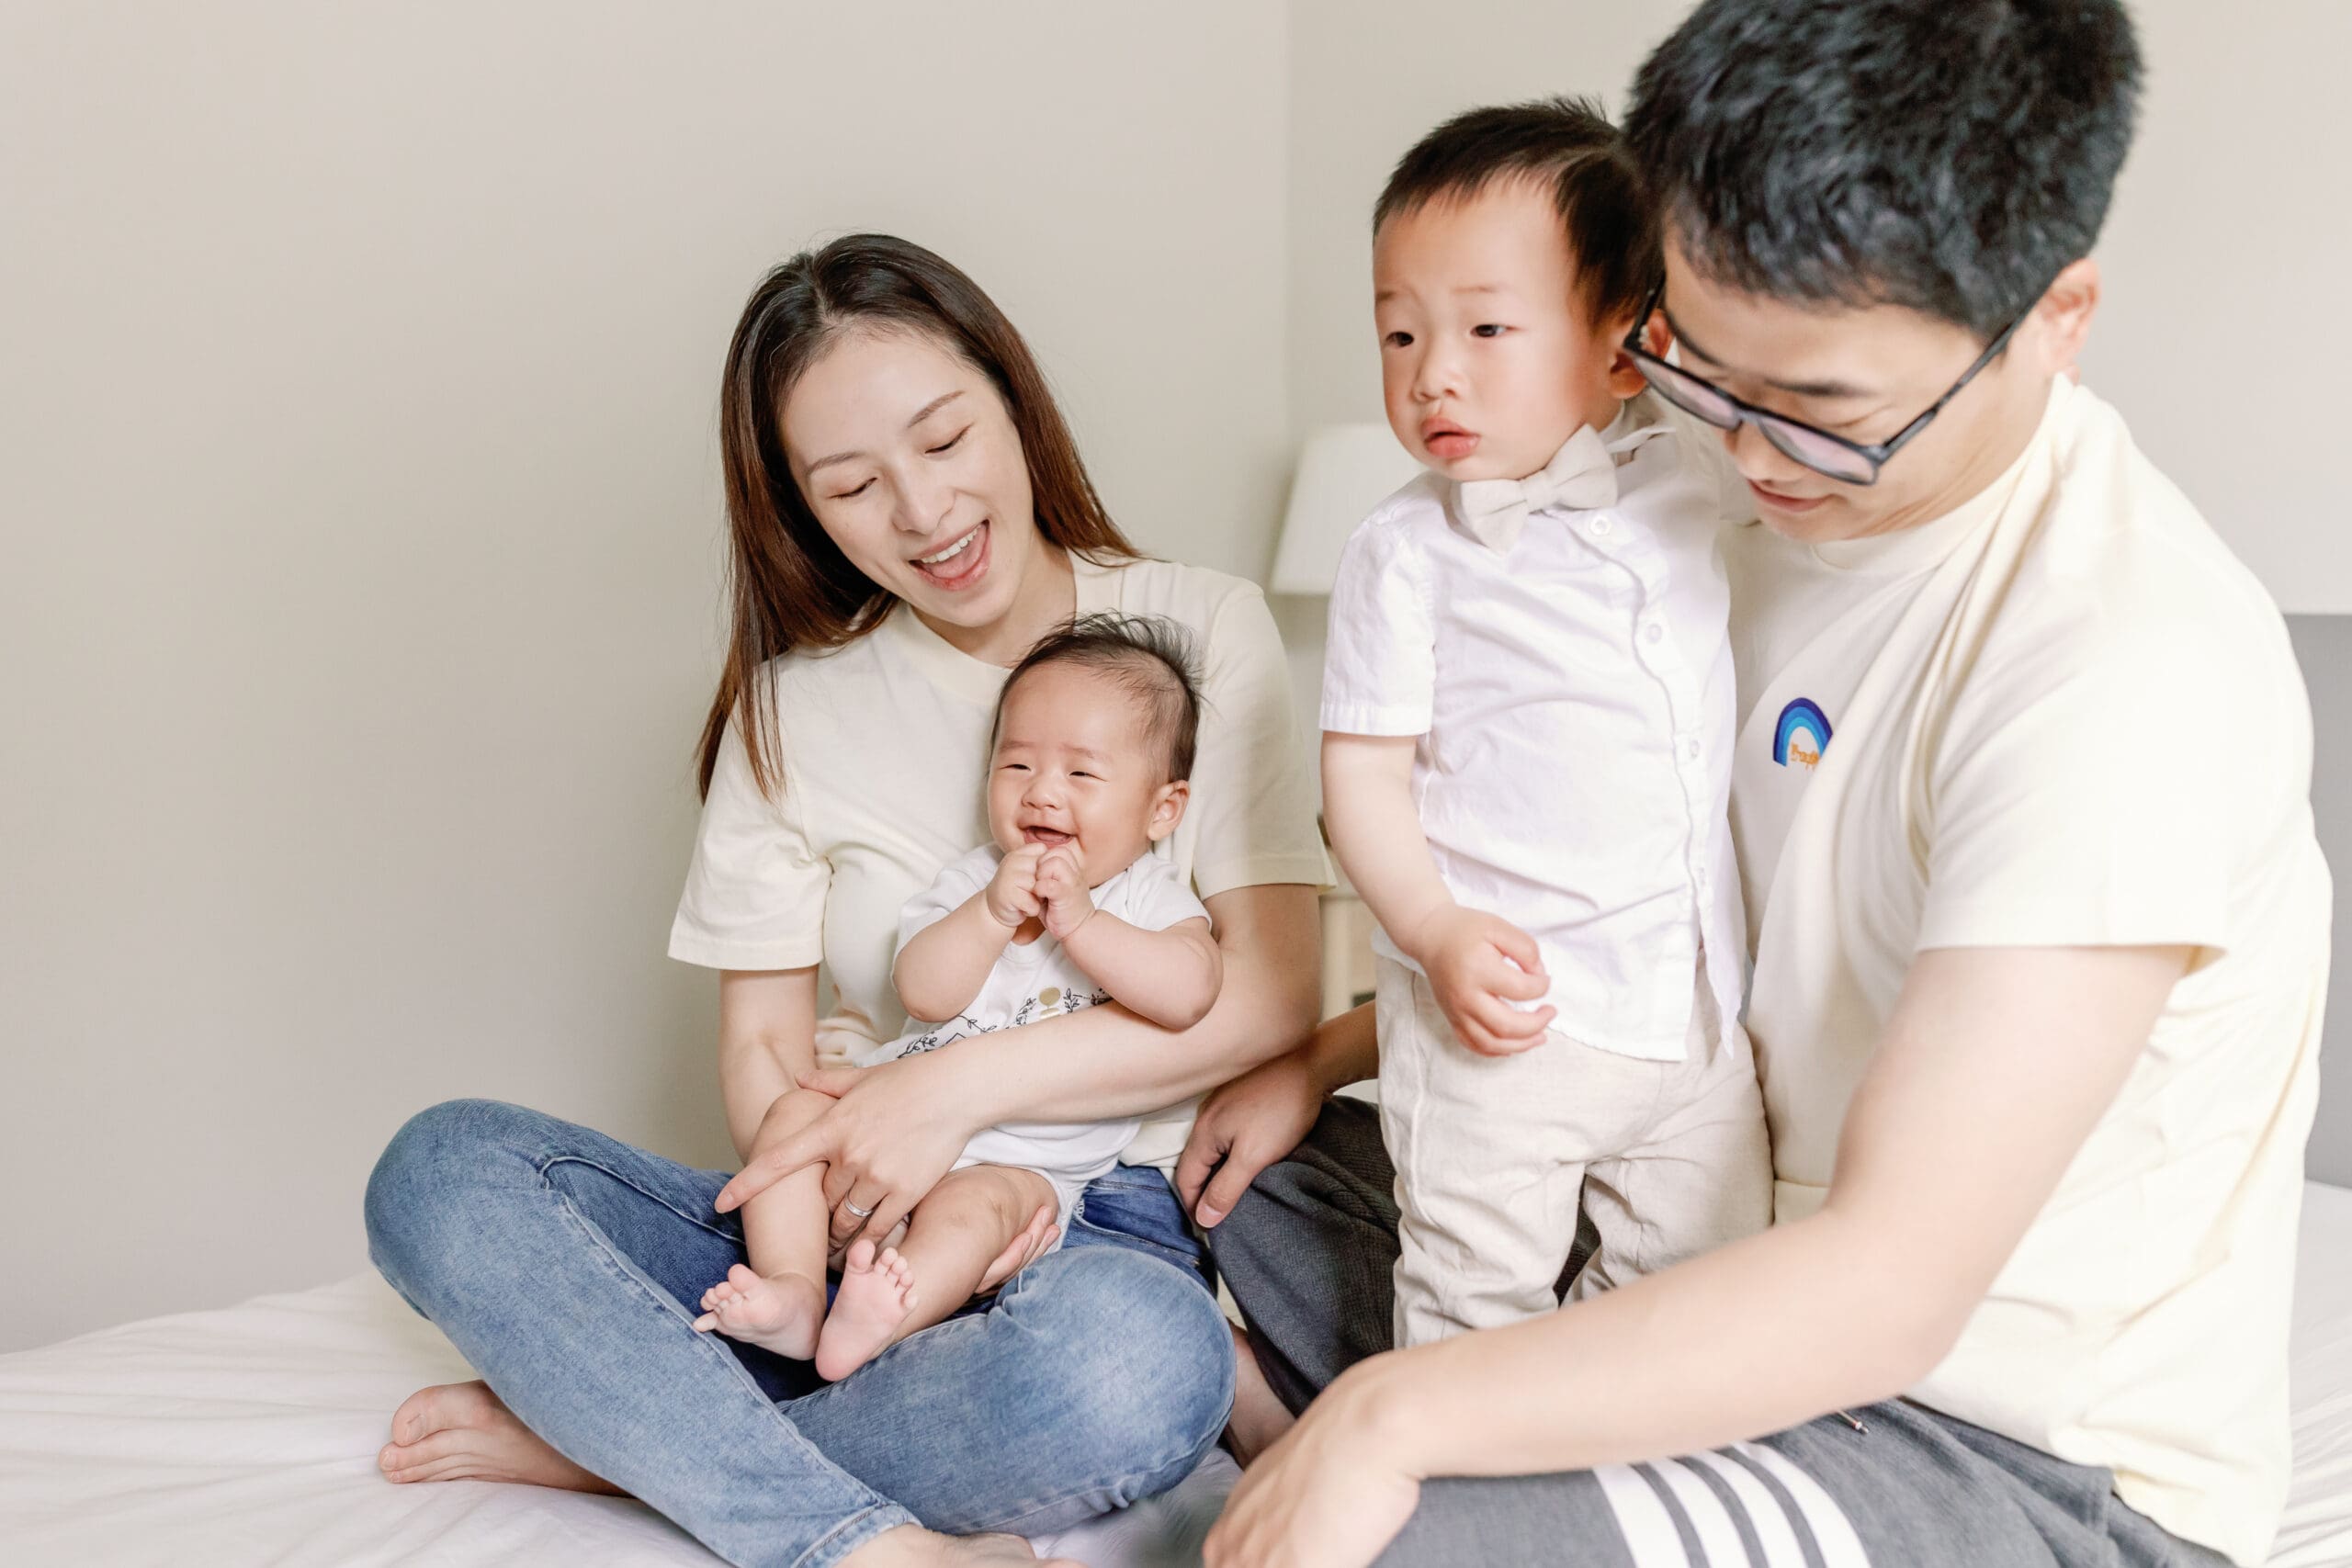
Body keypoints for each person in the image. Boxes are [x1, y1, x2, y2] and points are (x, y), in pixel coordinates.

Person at [1185, 4, 2329, 1566]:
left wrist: (1399, 1416)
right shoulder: (1686, 497)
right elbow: (1609, 883)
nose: (1752, 449)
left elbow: (1885, 1284)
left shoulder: (2125, 663)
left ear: (2057, 316)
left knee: (1400, 1519)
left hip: (1986, 1441)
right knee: (1167, 1177)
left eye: (1822, 409)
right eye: (1690, 367)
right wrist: (1325, 1054)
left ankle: (1347, 1431)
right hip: (1690, 1219)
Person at [363, 233, 1329, 1568]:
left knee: (1145, 1364)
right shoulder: (788, 708)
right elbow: (762, 1051)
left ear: (1013, 399)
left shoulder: (1194, 631)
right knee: (441, 1168)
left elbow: (1272, 991)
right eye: (853, 485)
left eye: (943, 439)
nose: (923, 512)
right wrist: (818, 1215)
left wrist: (952, 1090)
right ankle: (851, 1532)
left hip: (1084, 1232)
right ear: (801, 508)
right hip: (849, 1212)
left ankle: (629, 1441)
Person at [1319, 97, 1767, 1349]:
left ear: (1624, 352)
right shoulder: (1403, 552)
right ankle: (1466, 1499)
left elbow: (1795, 441)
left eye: (1485, 327)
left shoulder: (1688, 478)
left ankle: (1594, 1470)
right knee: (1472, 1302)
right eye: (1399, 333)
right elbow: (1359, 780)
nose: (1431, 372)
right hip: (1499, 1026)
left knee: (1701, 1288)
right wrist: (1432, 927)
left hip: (1687, 1004)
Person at [695, 615, 1225, 1382]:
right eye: (1016, 766)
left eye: (1081, 774)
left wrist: (1083, 922)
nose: (1042, 792)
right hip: (890, 1118)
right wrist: (985, 916)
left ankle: (876, 1323)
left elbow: (1191, 991)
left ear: (1161, 810)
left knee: (977, 1215)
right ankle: (797, 1290)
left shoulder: (1150, 899)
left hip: (1023, 1159)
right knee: (791, 1118)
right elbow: (923, 991)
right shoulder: (976, 879)